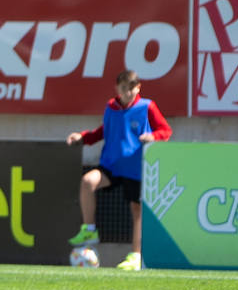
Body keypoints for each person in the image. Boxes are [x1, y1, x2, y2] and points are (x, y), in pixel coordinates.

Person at [66, 69, 172, 272]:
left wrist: (153, 137)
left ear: (138, 88)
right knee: (88, 181)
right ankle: (89, 230)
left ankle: (136, 256)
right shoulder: (111, 108)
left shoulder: (147, 107)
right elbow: (103, 131)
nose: (128, 92)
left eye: (132, 88)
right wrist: (83, 137)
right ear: (117, 89)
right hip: (111, 165)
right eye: (124, 88)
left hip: (135, 167)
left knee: (136, 210)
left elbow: (165, 131)